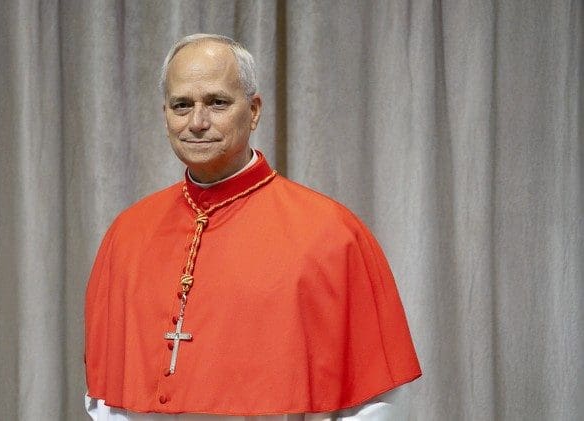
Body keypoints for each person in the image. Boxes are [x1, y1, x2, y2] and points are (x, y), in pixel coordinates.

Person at [84, 33, 421, 420]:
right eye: (182, 105)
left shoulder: (332, 233)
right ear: (165, 115)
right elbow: (104, 397)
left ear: (254, 110)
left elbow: (376, 401)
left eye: (217, 102)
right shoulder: (127, 234)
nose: (197, 122)